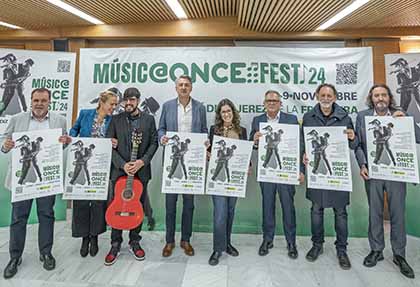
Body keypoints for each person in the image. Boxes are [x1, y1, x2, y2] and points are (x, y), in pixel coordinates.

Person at [2, 88, 71, 279]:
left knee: (46, 216)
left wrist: (66, 141)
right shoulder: (17, 119)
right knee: (18, 218)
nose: (39, 103)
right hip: (21, 178)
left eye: (43, 100)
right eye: (36, 100)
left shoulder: (59, 120)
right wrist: (5, 145)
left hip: (46, 180)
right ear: (31, 101)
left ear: (50, 102)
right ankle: (15, 257)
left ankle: (46, 253)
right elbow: (4, 139)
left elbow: (63, 142)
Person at [355, 84, 420, 279]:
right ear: (371, 98)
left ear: (389, 97)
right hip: (373, 173)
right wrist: (363, 164)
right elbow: (358, 143)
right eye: (376, 95)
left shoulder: (400, 114)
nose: (380, 98)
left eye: (384, 94)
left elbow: (418, 136)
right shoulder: (362, 116)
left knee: (397, 213)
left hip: (396, 174)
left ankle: (399, 255)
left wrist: (407, 121)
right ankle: (376, 250)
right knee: (374, 212)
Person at [301, 83, 357, 270]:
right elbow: (303, 144)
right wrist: (303, 155)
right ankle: (317, 245)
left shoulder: (344, 117)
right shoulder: (308, 117)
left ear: (334, 97)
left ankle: (342, 250)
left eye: (329, 95)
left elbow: (354, 144)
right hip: (317, 173)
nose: (326, 98)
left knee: (340, 212)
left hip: (338, 174)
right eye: (322, 95)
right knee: (316, 210)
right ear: (317, 96)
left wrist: (352, 137)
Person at [104, 87, 158, 266]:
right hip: (119, 173)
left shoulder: (149, 120)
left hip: (141, 172)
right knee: (117, 206)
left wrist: (142, 161)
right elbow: (107, 145)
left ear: (138, 100)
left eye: (132, 99)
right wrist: (122, 164)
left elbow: (154, 143)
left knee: (137, 207)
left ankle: (135, 241)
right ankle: (115, 243)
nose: (128, 103)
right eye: (125, 100)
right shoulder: (115, 120)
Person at [158, 75, 208, 257]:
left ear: (191, 88)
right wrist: (162, 138)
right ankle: (169, 241)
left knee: (189, 205)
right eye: (181, 85)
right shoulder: (167, 106)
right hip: (171, 161)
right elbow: (161, 128)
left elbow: (204, 130)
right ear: (176, 88)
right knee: (170, 205)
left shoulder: (200, 107)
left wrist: (205, 142)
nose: (184, 87)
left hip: (192, 161)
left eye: (187, 85)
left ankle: (185, 240)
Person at [250, 90, 303, 259]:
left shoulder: (291, 119)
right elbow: (254, 145)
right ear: (264, 103)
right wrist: (255, 140)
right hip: (267, 172)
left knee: (288, 207)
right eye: (268, 100)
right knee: (267, 206)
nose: (272, 103)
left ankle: (291, 242)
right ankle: (267, 239)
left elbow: (299, 145)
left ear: (280, 103)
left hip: (286, 172)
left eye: (275, 100)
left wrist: (301, 169)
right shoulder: (257, 120)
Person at [69, 90, 118, 258]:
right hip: (82, 162)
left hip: (101, 167)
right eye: (111, 104)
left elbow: (117, 138)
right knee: (81, 202)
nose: (114, 107)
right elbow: (74, 130)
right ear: (102, 102)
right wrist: (71, 139)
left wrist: (114, 142)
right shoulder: (85, 114)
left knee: (98, 203)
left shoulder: (114, 120)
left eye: (115, 104)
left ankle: (95, 237)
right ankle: (84, 238)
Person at [207, 99, 247, 266]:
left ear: (233, 112)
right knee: (220, 214)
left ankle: (227, 243)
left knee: (230, 212)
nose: (226, 114)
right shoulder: (214, 130)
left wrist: (248, 165)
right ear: (219, 114)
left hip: (235, 178)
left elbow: (245, 152)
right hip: (217, 179)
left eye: (228, 111)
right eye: (223, 112)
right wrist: (208, 153)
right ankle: (217, 249)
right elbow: (209, 151)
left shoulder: (242, 130)